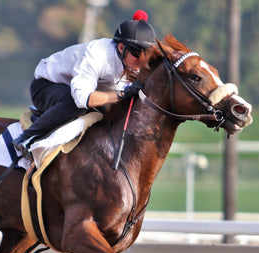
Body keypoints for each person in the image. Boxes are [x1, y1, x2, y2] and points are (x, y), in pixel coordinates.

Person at [13, 10, 157, 154]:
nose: (141, 62)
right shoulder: (96, 55)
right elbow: (82, 99)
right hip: (46, 87)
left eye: (147, 57)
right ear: (121, 47)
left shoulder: (132, 62)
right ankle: (27, 137)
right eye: (137, 55)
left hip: (79, 92)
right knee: (76, 104)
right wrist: (122, 94)